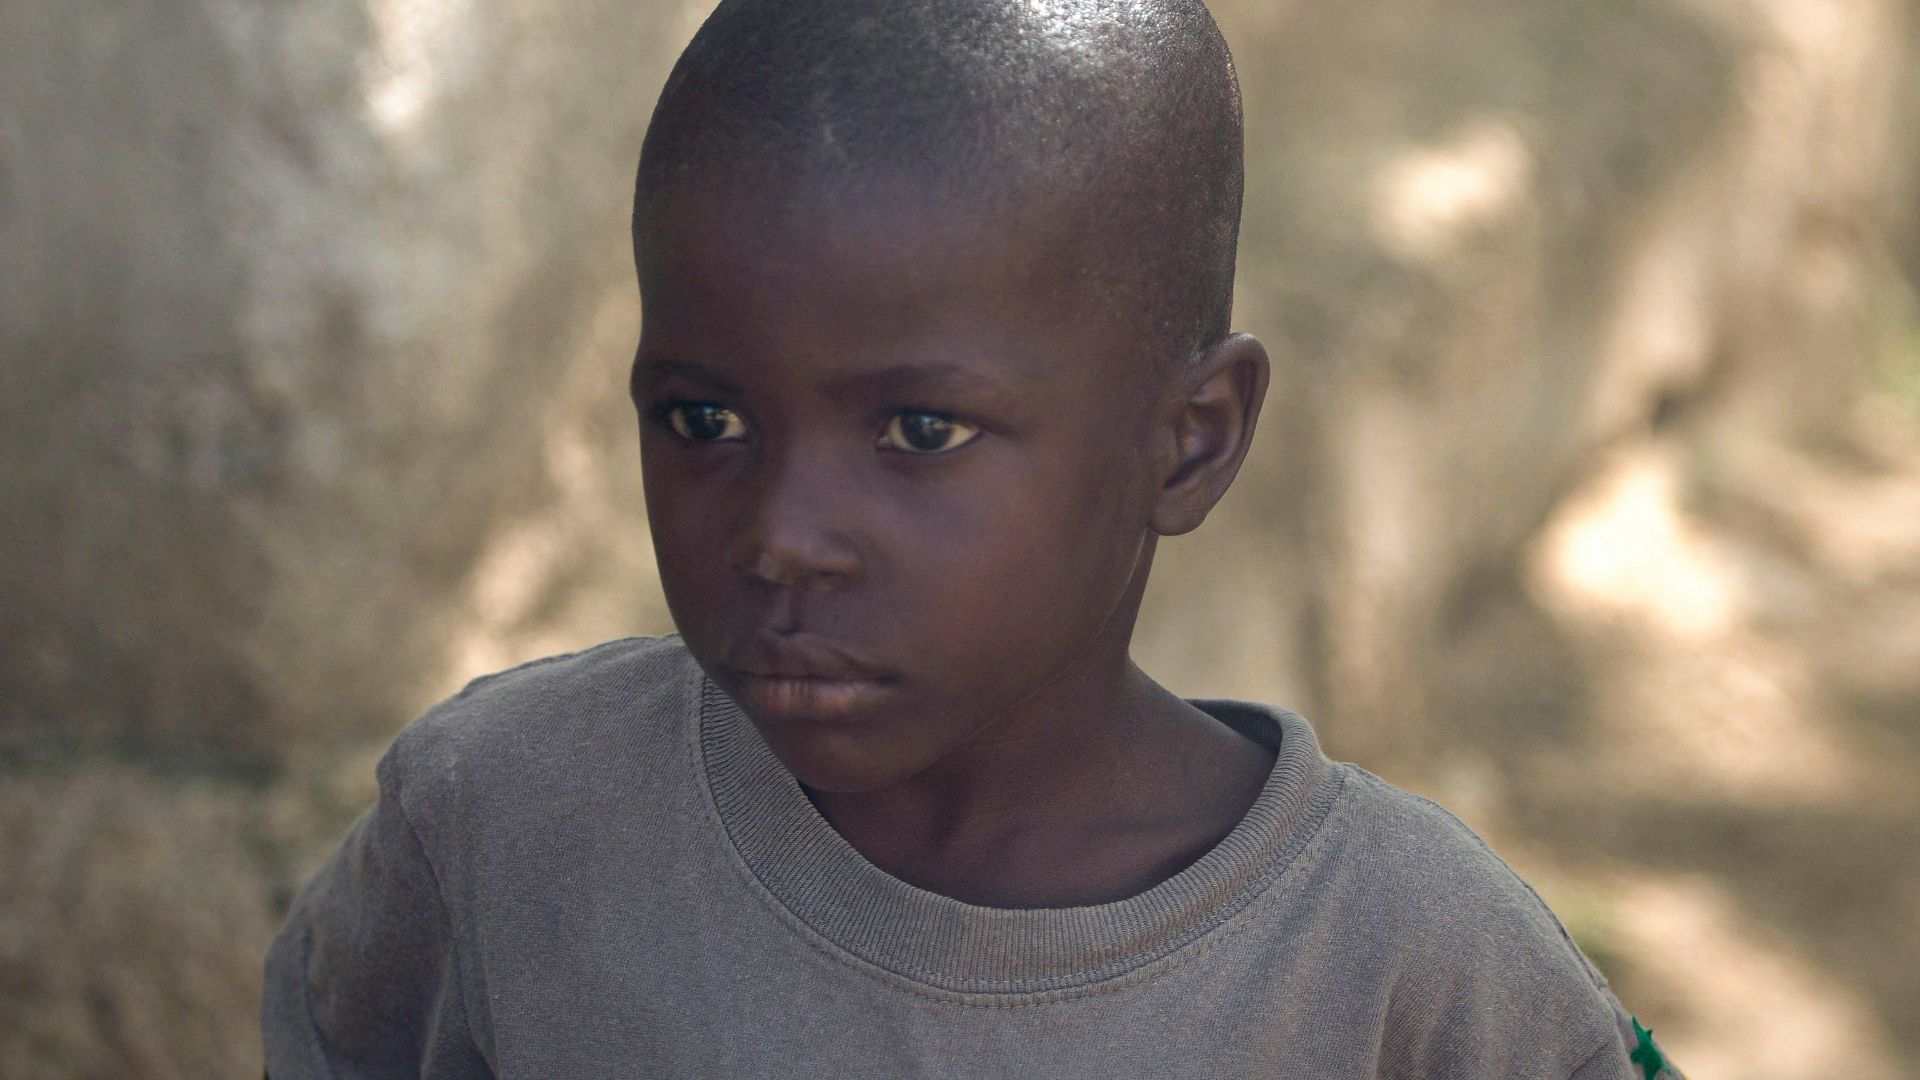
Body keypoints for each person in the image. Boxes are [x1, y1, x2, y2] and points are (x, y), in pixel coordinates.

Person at [261, 0, 1682, 1076]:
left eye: (920, 433)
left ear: (1188, 440)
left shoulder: (1400, 968)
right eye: (704, 421)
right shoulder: (510, 821)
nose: (782, 537)